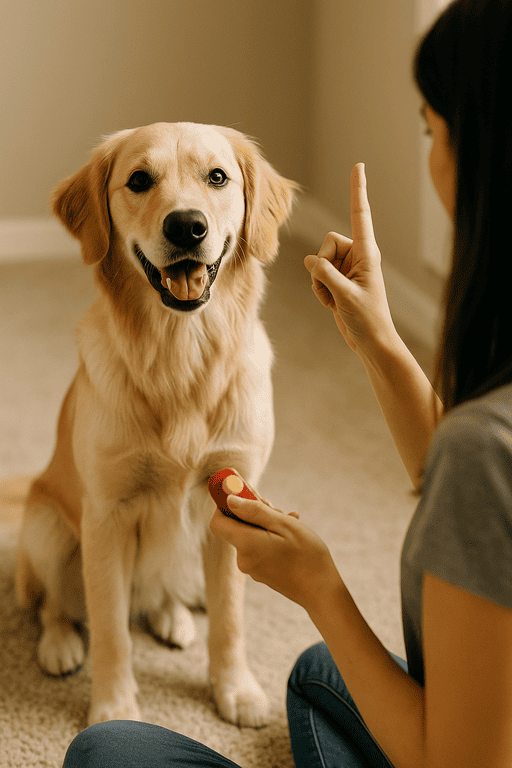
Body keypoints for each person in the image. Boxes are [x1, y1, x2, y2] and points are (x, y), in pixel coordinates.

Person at [62, 0, 512, 766]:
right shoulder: (485, 439)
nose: (186, 212)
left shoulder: (484, 445)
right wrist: (381, 342)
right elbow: (468, 479)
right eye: (144, 183)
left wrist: (320, 587)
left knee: (106, 754)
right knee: (314, 672)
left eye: (431, 129)